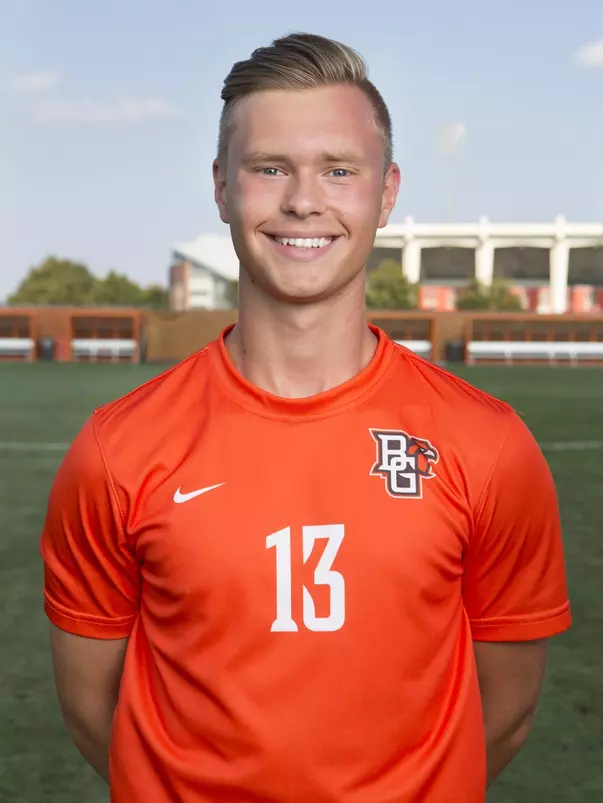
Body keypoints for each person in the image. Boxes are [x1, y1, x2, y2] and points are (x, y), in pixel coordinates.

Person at [40, 32, 571, 803]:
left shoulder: (487, 444)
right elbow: (94, 712)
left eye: (338, 169)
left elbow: (508, 711)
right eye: (270, 168)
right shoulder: (117, 449)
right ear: (222, 188)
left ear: (385, 193)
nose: (302, 200)